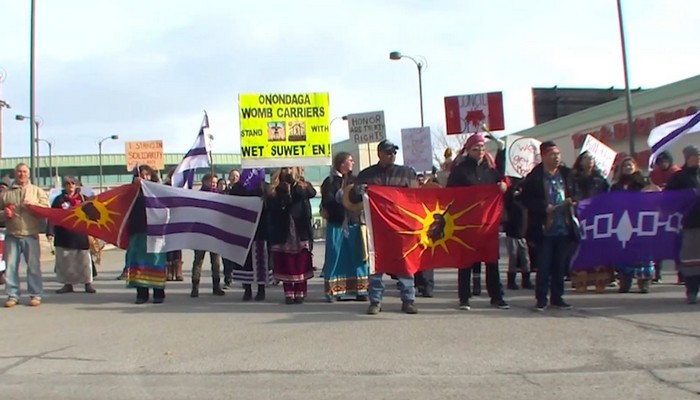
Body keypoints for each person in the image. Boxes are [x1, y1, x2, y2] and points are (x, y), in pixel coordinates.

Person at [352, 139, 419, 315]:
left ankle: (408, 299)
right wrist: (358, 191)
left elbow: (416, 197)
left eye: (394, 152)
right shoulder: (367, 174)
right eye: (388, 152)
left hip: (401, 226)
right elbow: (353, 197)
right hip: (376, 227)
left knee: (404, 262)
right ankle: (375, 300)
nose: (392, 155)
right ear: (379, 153)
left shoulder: (406, 173)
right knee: (376, 264)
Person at [447, 133, 510, 310]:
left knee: (491, 261)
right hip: (467, 223)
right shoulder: (460, 170)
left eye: (482, 148)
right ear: (468, 150)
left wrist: (503, 185)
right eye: (476, 148)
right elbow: (450, 193)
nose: (480, 151)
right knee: (466, 261)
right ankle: (464, 298)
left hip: (488, 223)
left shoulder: (489, 168)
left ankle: (496, 297)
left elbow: (501, 178)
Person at [519, 141, 575, 311]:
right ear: (543, 156)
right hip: (544, 229)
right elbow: (526, 200)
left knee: (559, 265)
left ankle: (557, 297)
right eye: (552, 154)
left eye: (558, 154)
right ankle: (541, 298)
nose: (556, 157)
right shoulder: (535, 177)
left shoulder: (566, 174)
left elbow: (576, 191)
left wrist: (573, 201)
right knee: (543, 265)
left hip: (563, 226)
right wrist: (543, 207)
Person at [320, 152, 369, 302]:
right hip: (337, 223)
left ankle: (361, 290)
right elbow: (326, 201)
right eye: (350, 160)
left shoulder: (355, 181)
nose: (352, 163)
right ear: (342, 163)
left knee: (357, 255)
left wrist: (359, 194)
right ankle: (334, 291)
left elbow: (362, 199)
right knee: (336, 255)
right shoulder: (330, 182)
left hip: (354, 222)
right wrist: (339, 198)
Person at [1, 163, 50, 307]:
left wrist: (34, 205)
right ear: (14, 174)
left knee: (33, 267)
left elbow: (47, 211)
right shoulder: (5, 194)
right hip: (12, 235)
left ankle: (35, 294)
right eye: (19, 172)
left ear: (28, 174)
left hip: (31, 234)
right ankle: (12, 295)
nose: (21, 174)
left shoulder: (37, 191)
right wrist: (4, 214)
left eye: (24, 172)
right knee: (10, 267)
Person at [268, 167, 316, 304]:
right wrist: (284, 190)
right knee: (286, 261)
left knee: (301, 261)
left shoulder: (302, 185)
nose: (287, 171)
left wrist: (295, 183)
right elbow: (272, 205)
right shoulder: (275, 188)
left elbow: (311, 193)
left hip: (300, 229)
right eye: (285, 169)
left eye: (290, 168)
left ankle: (300, 292)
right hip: (283, 229)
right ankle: (289, 293)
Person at [610, 156, 654, 293]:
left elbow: (652, 197)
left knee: (643, 252)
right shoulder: (616, 186)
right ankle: (625, 280)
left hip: (641, 221)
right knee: (625, 252)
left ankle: (644, 281)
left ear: (635, 167)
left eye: (630, 165)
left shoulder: (643, 181)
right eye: (625, 166)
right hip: (623, 222)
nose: (628, 168)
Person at [125, 165, 167, 304]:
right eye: (141, 175)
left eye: (147, 175)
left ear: (152, 176)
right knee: (139, 263)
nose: (144, 177)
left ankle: (158, 292)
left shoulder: (158, 191)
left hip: (155, 232)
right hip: (138, 231)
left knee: (156, 261)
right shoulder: (131, 192)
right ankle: (142, 293)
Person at [48, 176, 96, 294]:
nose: (70, 186)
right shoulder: (59, 200)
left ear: (76, 185)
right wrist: (50, 231)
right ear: (64, 186)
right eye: (68, 184)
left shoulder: (83, 198)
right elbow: (52, 216)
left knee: (84, 261)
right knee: (66, 262)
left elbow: (92, 214)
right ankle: (67, 284)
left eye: (73, 183)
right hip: (64, 235)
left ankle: (87, 284)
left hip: (80, 234)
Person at [225, 176, 271, 301]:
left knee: (260, 260)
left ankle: (261, 289)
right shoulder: (239, 187)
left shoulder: (264, 186)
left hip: (260, 230)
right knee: (244, 261)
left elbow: (270, 206)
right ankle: (247, 289)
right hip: (243, 229)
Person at [665, 145, 700, 304]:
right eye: (695, 155)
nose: (698, 157)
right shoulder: (679, 177)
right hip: (690, 223)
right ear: (688, 157)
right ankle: (692, 290)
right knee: (691, 260)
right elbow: (668, 198)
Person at [649, 151, 681, 284]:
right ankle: (657, 272)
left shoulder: (677, 174)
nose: (663, 164)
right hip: (659, 213)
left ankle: (681, 273)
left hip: (675, 213)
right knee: (659, 244)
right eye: (660, 162)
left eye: (665, 161)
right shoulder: (654, 175)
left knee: (677, 243)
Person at [190, 173, 225, 297]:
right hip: (200, 234)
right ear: (205, 182)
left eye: (215, 182)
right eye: (212, 182)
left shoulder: (219, 196)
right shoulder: (198, 196)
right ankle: (195, 287)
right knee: (198, 261)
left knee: (215, 262)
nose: (214, 184)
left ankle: (216, 286)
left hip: (214, 234)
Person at [503, 178, 534, 291]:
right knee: (513, 257)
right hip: (512, 232)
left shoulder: (526, 201)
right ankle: (511, 280)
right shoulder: (511, 200)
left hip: (523, 233)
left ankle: (526, 279)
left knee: (525, 257)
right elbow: (507, 198)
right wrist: (513, 188)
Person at [163, 167, 184, 282]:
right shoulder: (165, 187)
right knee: (169, 246)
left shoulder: (181, 187)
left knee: (178, 246)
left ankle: (178, 270)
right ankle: (169, 271)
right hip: (167, 220)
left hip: (178, 219)